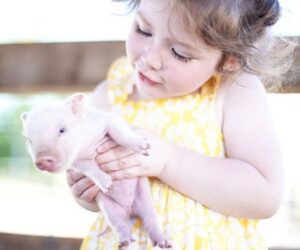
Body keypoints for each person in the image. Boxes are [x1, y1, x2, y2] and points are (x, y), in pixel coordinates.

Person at [67, 0, 296, 249]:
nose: (150, 58)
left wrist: (168, 161)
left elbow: (264, 195)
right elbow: (99, 191)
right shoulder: (109, 95)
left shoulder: (233, 92)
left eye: (180, 53)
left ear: (229, 59)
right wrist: (88, 189)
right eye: (143, 29)